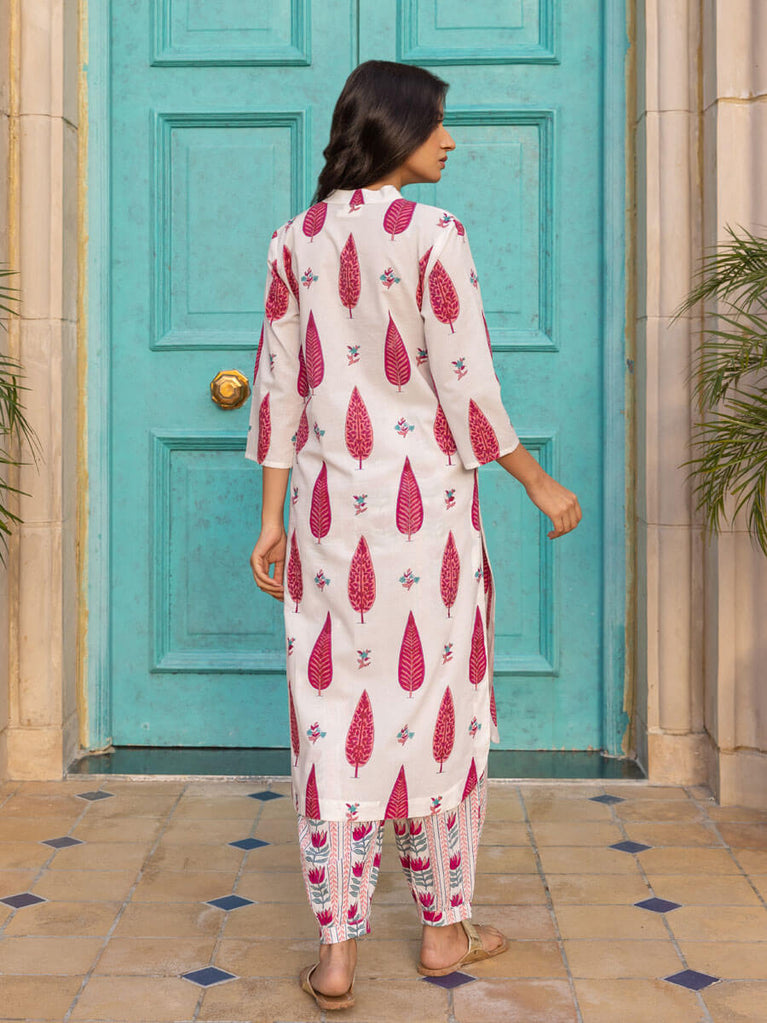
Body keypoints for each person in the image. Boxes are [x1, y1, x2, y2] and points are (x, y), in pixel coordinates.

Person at [246, 60, 581, 1012]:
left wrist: (270, 518)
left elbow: (278, 387)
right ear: (394, 129)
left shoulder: (293, 241)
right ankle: (441, 931)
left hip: (324, 519)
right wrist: (536, 479)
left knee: (329, 720)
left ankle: (336, 956)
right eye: (436, 123)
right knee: (438, 709)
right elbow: (464, 383)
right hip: (423, 523)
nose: (449, 140)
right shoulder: (435, 233)